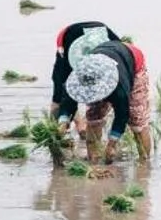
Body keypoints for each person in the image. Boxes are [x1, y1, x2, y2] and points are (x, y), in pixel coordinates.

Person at [64, 28, 153, 166]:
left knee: (137, 122)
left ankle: (145, 165)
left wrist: (112, 143)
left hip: (132, 61)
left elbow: (122, 114)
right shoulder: (82, 77)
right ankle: (94, 163)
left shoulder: (120, 87)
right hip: (102, 59)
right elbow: (67, 101)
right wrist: (63, 120)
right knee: (93, 117)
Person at [50, 19, 115, 137]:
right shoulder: (71, 54)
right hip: (70, 37)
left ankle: (82, 126)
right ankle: (58, 131)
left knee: (98, 90)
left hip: (101, 32)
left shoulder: (115, 50)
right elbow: (67, 94)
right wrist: (64, 118)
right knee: (61, 91)